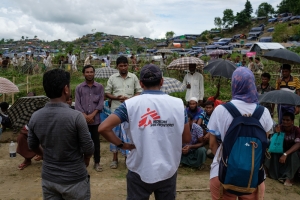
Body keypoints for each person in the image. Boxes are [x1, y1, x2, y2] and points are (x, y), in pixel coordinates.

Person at [98, 64, 191, 199]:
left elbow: (103, 128)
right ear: (162, 82)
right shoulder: (178, 104)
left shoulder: (130, 104)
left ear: (141, 83)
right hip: (168, 169)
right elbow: (187, 138)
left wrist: (122, 145)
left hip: (139, 168)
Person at [27, 69, 94, 199]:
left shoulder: (35, 117)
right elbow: (88, 147)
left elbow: (32, 145)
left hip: (49, 178)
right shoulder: (76, 117)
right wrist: (86, 159)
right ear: (66, 89)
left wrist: (44, 155)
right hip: (74, 179)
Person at [208, 67, 273, 200]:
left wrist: (229, 161)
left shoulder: (221, 110)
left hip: (222, 174)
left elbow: (212, 144)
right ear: (252, 84)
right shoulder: (264, 112)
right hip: (254, 176)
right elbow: (264, 142)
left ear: (234, 84)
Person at [105, 56, 142, 169]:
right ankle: (115, 159)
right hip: (116, 110)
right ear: (117, 66)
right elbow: (107, 93)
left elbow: (139, 92)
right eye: (121, 66)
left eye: (125, 65)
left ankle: (128, 158)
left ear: (128, 65)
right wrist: (116, 98)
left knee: (129, 135)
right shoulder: (112, 78)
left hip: (130, 110)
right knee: (115, 134)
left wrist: (129, 99)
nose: (123, 67)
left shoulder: (134, 77)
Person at [75, 65, 104, 172]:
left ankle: (97, 162)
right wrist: (85, 116)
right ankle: (81, 163)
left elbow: (101, 103)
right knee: (81, 141)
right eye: (87, 72)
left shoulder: (100, 87)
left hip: (95, 120)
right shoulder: (79, 88)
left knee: (96, 142)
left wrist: (92, 115)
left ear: (94, 73)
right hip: (82, 120)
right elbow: (77, 104)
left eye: (91, 72)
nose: (89, 74)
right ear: (83, 74)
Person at [264, 112, 300, 187]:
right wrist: (277, 134)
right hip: (281, 150)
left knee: (294, 155)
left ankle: (289, 177)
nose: (285, 122)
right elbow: (272, 142)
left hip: (292, 152)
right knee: (271, 151)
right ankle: (267, 171)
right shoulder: (279, 128)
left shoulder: (296, 130)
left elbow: (298, 144)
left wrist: (286, 154)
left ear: (292, 121)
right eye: (283, 119)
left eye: (287, 120)